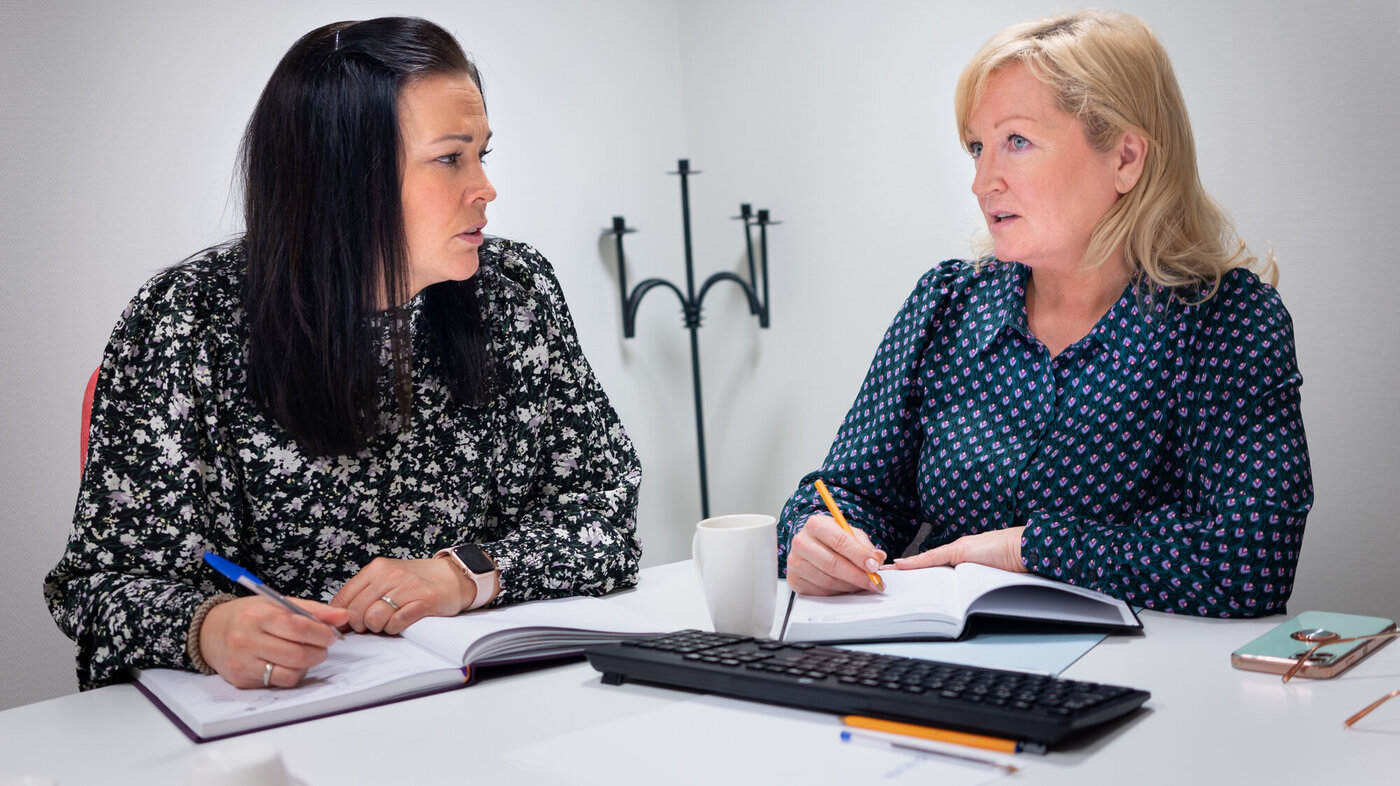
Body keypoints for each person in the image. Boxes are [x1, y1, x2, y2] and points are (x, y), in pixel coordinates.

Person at [45, 17, 641, 691]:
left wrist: (460, 572)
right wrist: (211, 629)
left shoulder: (516, 290)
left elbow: (604, 506)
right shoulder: (185, 319)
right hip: (274, 722)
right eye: (450, 158)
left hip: (481, 706)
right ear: (344, 177)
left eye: (482, 154)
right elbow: (96, 586)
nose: (485, 188)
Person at [778, 10, 1311, 618]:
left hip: (1152, 688)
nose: (982, 182)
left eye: (1017, 142)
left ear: (1126, 159)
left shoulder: (1229, 323)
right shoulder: (944, 304)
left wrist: (1025, 549)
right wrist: (817, 538)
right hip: (945, 669)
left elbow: (1250, 560)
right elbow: (849, 493)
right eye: (978, 148)